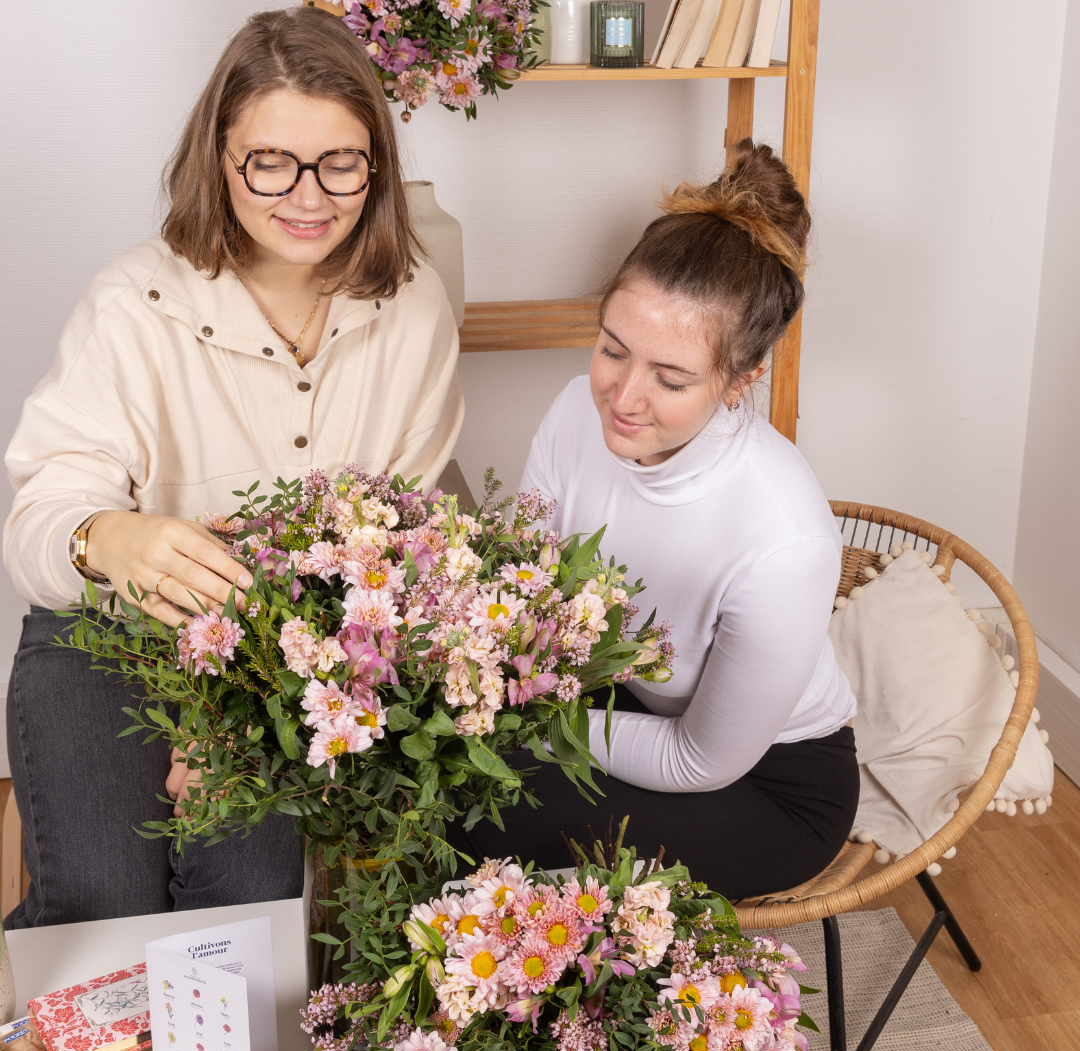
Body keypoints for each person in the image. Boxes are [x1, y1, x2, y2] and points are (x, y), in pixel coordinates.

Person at [2, 8, 463, 928]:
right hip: (106, 643)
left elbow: (394, 558)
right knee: (103, 903)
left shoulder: (416, 310)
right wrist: (106, 538)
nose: (309, 195)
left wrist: (246, 711)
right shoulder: (131, 305)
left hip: (290, 666)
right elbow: (37, 528)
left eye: (340, 161)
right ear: (219, 159)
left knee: (244, 902)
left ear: (375, 165)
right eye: (270, 162)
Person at [463, 141, 858, 899]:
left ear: (742, 378)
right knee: (436, 759)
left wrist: (524, 723)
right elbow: (528, 591)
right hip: (622, 697)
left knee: (486, 808)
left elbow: (697, 758)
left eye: (671, 380)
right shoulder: (574, 412)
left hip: (764, 783)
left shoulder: (783, 539)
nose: (623, 398)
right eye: (612, 350)